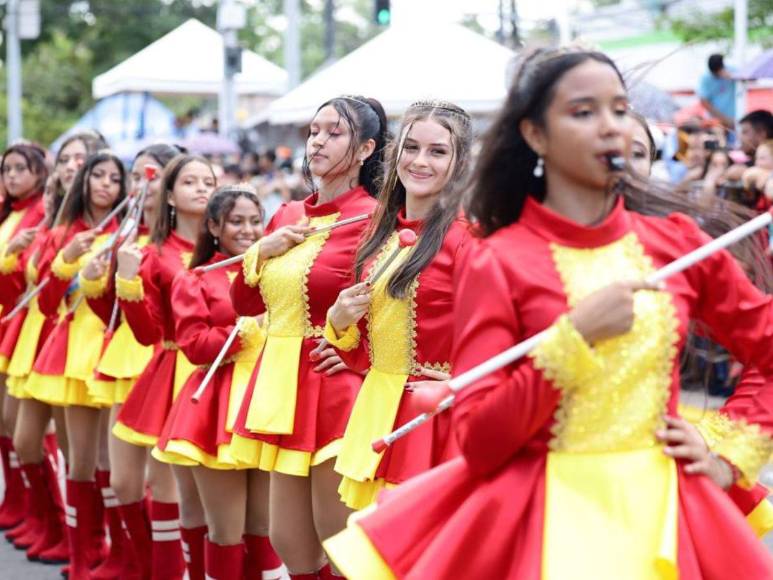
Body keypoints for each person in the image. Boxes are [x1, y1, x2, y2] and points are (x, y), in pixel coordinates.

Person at [325, 47, 773, 579]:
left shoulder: (675, 242)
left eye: (620, 108)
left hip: (659, 514)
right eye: (584, 112)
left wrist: (725, 449)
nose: (610, 126)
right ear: (535, 135)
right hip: (541, 517)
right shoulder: (498, 259)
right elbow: (479, 436)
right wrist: (573, 341)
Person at [229, 95, 387, 579]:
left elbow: (392, 311)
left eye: (333, 132)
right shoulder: (286, 214)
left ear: (365, 149)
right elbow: (246, 305)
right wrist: (260, 250)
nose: (317, 140)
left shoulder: (376, 217)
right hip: (279, 389)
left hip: (335, 389)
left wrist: (358, 360)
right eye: (314, 130)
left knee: (339, 541)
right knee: (289, 541)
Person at [323, 100, 473, 511]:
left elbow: (507, 338)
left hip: (437, 423)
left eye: (438, 151)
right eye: (410, 147)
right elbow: (363, 356)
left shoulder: (470, 240)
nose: (419, 161)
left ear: (460, 163)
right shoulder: (380, 236)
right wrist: (338, 323)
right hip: (376, 414)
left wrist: (458, 383)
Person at [153, 184, 283, 580]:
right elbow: (193, 344)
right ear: (212, 226)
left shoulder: (273, 270)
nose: (247, 230)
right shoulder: (195, 279)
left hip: (267, 400)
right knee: (225, 531)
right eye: (236, 221)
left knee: (265, 529)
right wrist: (244, 330)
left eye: (254, 221)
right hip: (217, 406)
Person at [80, 143, 182, 578]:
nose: (147, 183)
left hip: (168, 362)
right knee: (122, 481)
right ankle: (132, 559)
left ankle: (163, 569)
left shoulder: (181, 243)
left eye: (155, 174)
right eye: (139, 175)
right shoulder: (122, 237)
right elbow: (111, 316)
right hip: (125, 358)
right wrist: (94, 281)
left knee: (167, 486)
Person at [112, 153, 216, 580]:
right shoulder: (154, 253)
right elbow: (146, 333)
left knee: (215, 499)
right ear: (170, 194)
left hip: (224, 374)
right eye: (190, 181)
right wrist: (127, 281)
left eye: (208, 181)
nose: (201, 188)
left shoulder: (232, 245)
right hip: (173, 371)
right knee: (168, 489)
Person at [4, 132, 106, 567]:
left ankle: (92, 544)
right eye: (67, 157)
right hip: (42, 336)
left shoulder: (101, 226)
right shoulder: (52, 220)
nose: (73, 165)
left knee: (94, 461)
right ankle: (61, 531)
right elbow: (36, 290)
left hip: (86, 344)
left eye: (84, 159)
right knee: (35, 442)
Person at [28, 150, 126, 579]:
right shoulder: (63, 231)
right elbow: (47, 303)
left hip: (114, 351)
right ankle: (82, 555)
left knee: (115, 466)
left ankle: (115, 552)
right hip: (71, 351)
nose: (106, 183)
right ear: (83, 180)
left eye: (114, 177)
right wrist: (67, 257)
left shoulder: (128, 232)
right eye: (97, 175)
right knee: (80, 462)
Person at [698, 54, 738, 130]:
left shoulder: (733, 71)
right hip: (715, 121)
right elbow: (704, 102)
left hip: (734, 118)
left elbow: (752, 79)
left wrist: (733, 77)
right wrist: (723, 119)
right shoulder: (705, 78)